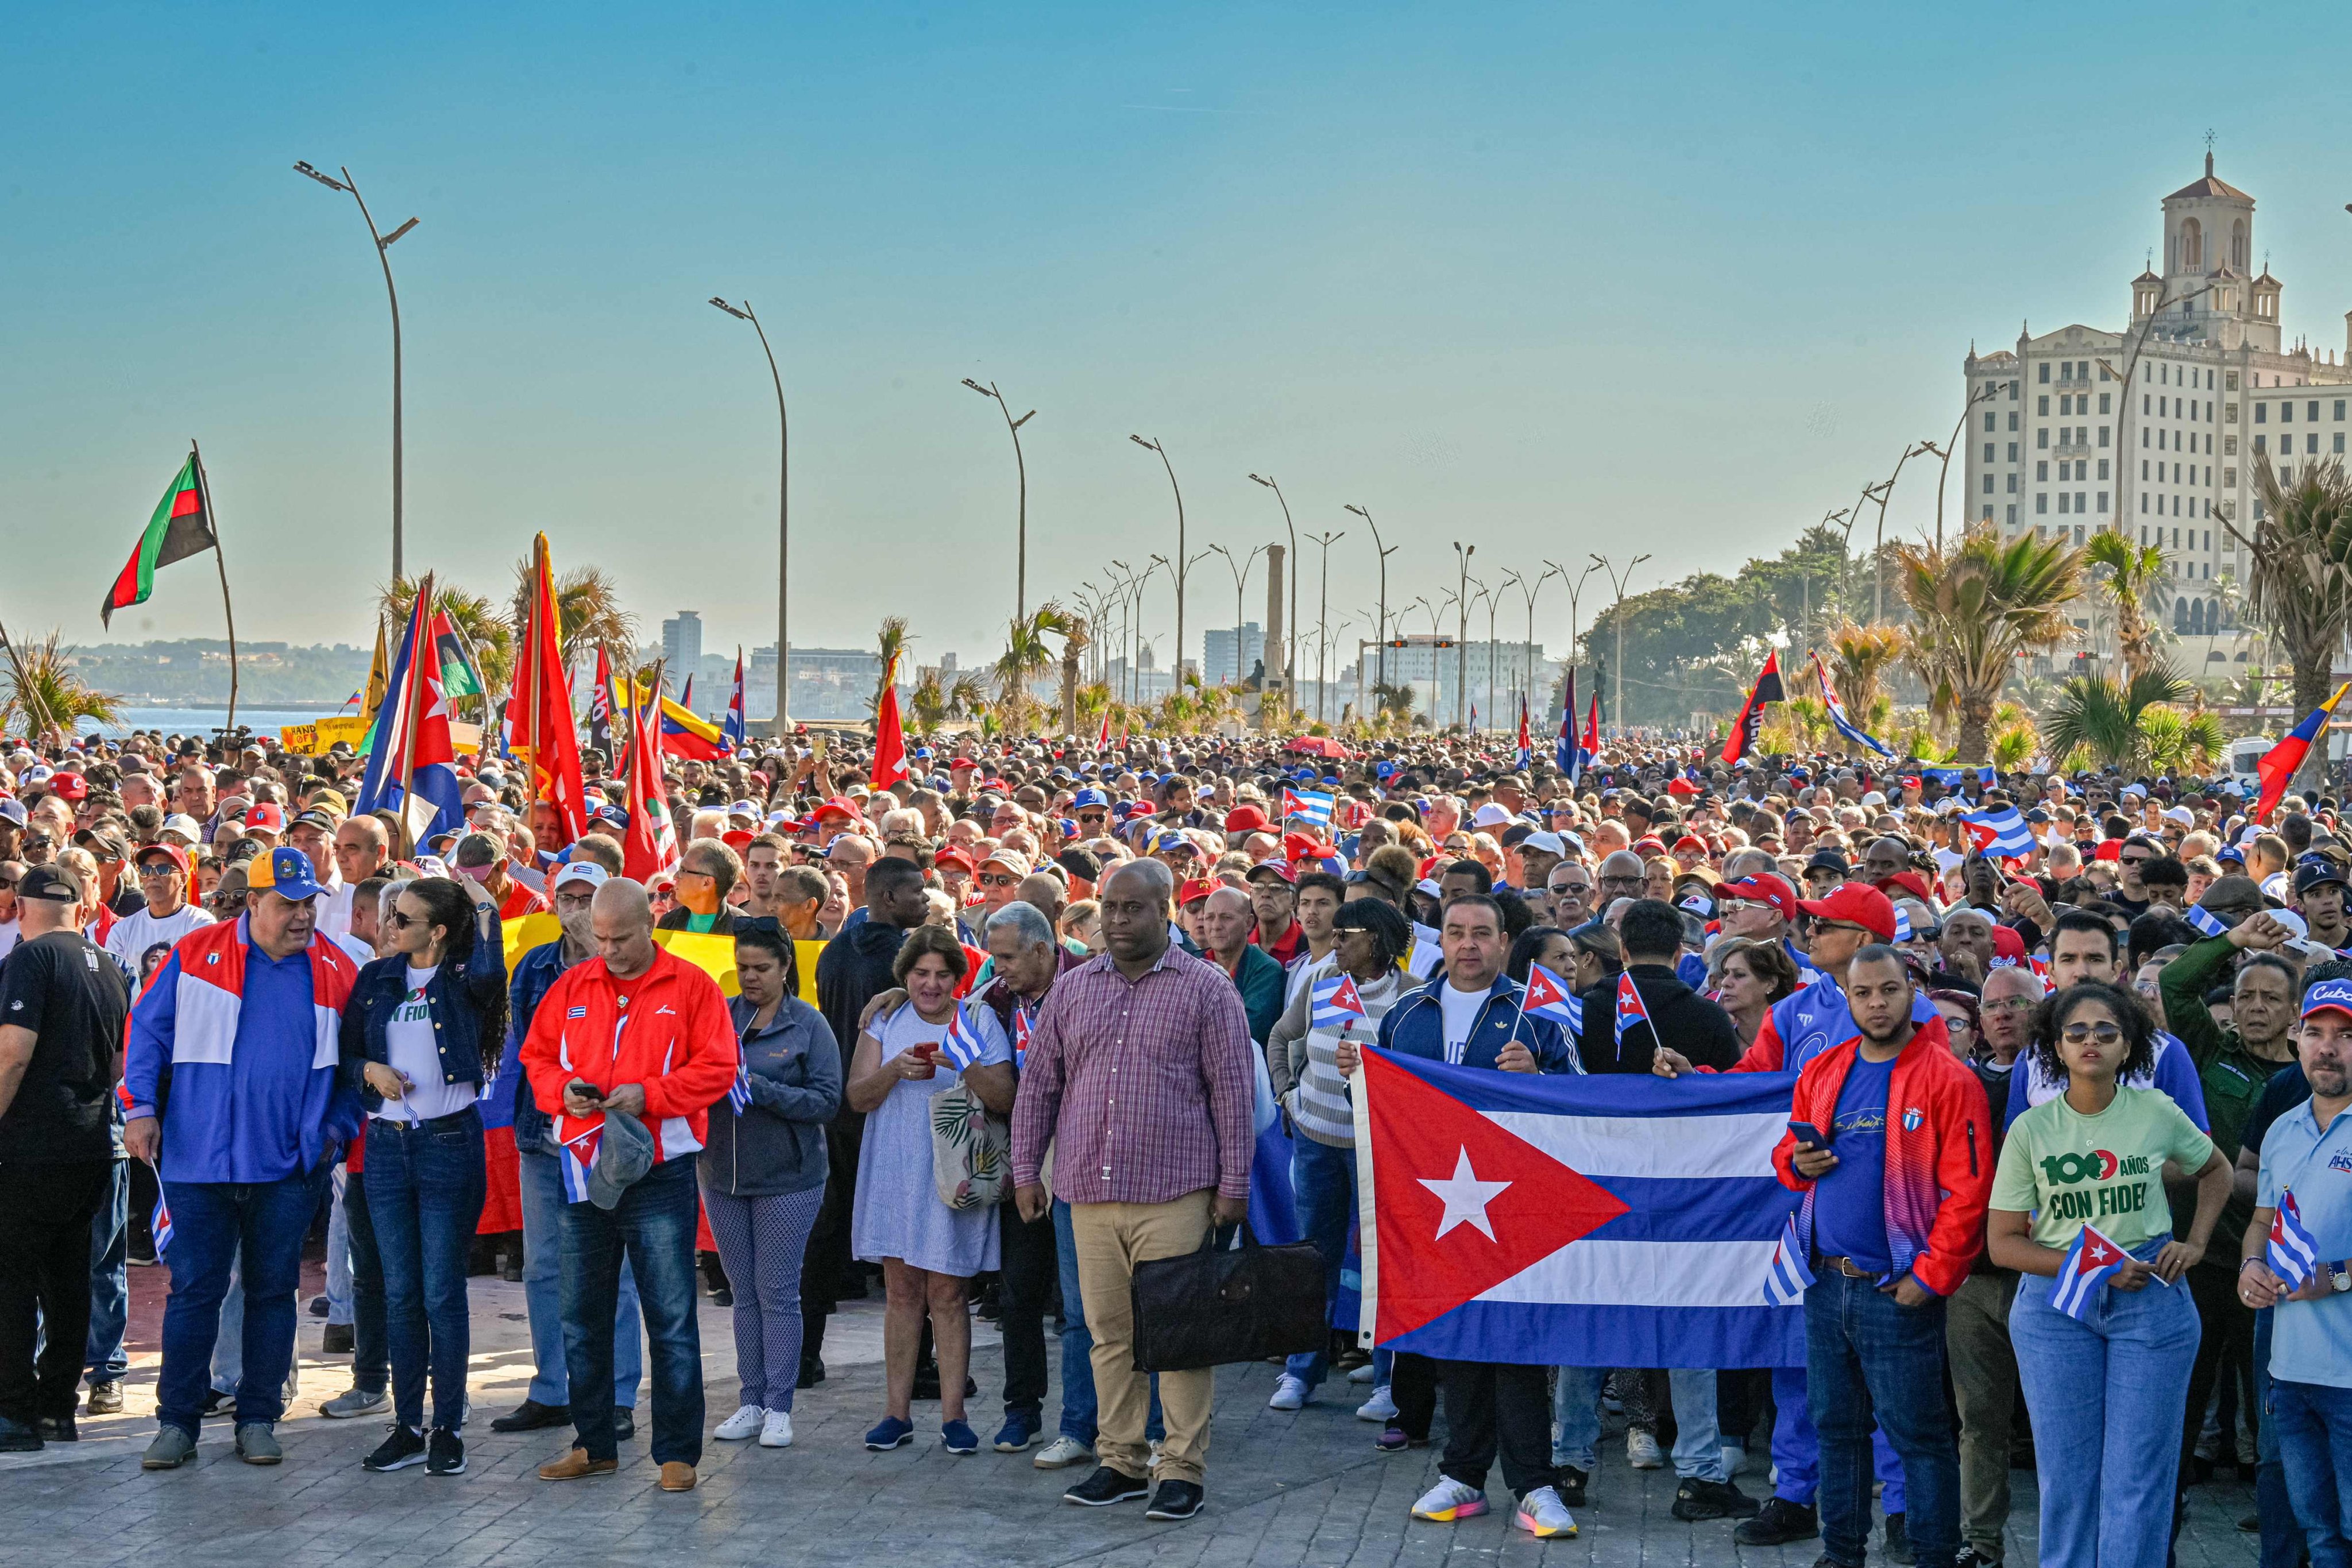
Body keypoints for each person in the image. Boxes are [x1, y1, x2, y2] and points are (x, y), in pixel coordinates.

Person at [1010, 858, 1255, 1523]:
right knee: (1108, 1335)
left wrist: (1234, 1186)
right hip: (1087, 1191)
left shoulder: (1207, 990)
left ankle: (1181, 1469)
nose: (1117, 921)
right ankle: (1119, 1461)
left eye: (1133, 909)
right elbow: (1039, 1087)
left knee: (1177, 1337)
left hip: (1176, 1193)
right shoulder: (1073, 988)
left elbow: (1233, 1095)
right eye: (1110, 909)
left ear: (1167, 912)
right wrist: (1026, 1171)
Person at [123, 847, 363, 1470]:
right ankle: (176, 1423)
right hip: (197, 1164)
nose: (302, 916)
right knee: (194, 1294)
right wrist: (140, 1109)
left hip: (287, 1170)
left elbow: (357, 1069)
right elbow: (145, 1033)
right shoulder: (195, 954)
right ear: (253, 903)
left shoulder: (337, 968)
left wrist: (333, 1132)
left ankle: (258, 1417)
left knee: (271, 1294)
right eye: (288, 904)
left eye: (309, 903)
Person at [1351, 893, 1579, 1540]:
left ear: (1506, 942)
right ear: (1441, 942)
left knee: (1517, 1348)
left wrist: (1541, 1075)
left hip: (1517, 1213)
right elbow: (1381, 1118)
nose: (1469, 945)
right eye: (1456, 933)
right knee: (1458, 1344)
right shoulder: (1405, 1013)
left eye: (1482, 933)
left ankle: (1535, 1485)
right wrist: (1356, 1079)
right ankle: (1465, 1476)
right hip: (1436, 1212)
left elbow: (1582, 1102)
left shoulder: (1535, 1014)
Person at [1988, 980, 2231, 1568]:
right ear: (2055, 1045)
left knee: (2139, 1479)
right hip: (2055, 1308)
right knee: (2067, 1480)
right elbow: (2003, 1245)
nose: (2091, 1041)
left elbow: (2217, 1169)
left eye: (2106, 1032)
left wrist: (2195, 1242)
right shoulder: (2031, 1130)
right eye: (2076, 1032)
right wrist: (2095, 1268)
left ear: (2129, 1046)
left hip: (2150, 1302)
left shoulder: (2155, 1110)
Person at [1776, 943, 1992, 1568]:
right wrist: (1797, 1162)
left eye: (1889, 991)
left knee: (1920, 1439)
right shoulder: (1825, 1070)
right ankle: (1841, 1555)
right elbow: (1785, 1159)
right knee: (1836, 1434)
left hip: (1896, 1289)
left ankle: (1934, 1558)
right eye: (1863, 993)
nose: (1876, 1003)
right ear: (1848, 999)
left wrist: (1931, 1277)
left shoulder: (1949, 1077)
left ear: (1912, 992)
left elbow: (1969, 1191)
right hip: (1825, 1284)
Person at [520, 877, 736, 1493]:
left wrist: (653, 1096)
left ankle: (676, 1454)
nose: (609, 950)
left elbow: (718, 1067)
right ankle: (594, 1444)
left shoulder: (690, 985)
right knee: (581, 1314)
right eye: (601, 937)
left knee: (669, 1317)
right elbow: (536, 1057)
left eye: (621, 937)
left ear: (652, 923)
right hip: (584, 1164)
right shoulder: (573, 985)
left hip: (659, 1170)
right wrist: (560, 1091)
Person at [338, 875, 507, 1477]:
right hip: (387, 1146)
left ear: (437, 932)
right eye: (392, 916)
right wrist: (371, 1071)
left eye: (404, 920)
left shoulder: (464, 979)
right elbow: (346, 1056)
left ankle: (448, 1427)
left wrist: (485, 907)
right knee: (401, 1291)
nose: (390, 927)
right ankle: (407, 1425)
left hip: (448, 1143)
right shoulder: (376, 979)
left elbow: (492, 971)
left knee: (441, 1292)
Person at [488, 862, 646, 1439]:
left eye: (589, 898)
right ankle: (554, 1388)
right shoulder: (534, 966)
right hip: (545, 1136)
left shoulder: (632, 967)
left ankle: (618, 1394)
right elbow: (534, 1053)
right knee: (544, 1268)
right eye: (567, 898)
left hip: (609, 1140)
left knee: (615, 1270)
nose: (577, 910)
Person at [845, 924, 1014, 1455]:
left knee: (948, 1292)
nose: (931, 985)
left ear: (957, 979)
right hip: (895, 1169)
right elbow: (857, 1097)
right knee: (901, 1293)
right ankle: (895, 1413)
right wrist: (895, 1070)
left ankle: (954, 1416)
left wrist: (961, 1063)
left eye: (943, 975)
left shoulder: (978, 1019)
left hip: (954, 1171)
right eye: (921, 973)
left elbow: (1006, 1096)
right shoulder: (886, 1018)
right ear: (905, 975)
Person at [1265, 897, 1414, 1423]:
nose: (1333, 943)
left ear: (1374, 938)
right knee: (1315, 1258)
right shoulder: (1322, 979)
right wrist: (1288, 1096)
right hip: (1316, 1140)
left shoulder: (1410, 995)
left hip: (1380, 1155)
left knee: (1384, 1264)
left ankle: (1386, 1380)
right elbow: (1282, 1037)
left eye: (1344, 935)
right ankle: (1303, 1370)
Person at [0, 865, 129, 1450]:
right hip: (90, 1143)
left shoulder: (31, 959)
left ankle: (15, 1412)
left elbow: (13, 1054)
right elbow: (119, 1061)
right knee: (69, 1280)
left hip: (32, 1146)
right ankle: (57, 1408)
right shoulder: (107, 966)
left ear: (21, 907)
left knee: (14, 1282)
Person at [704, 917, 840, 1453]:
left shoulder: (808, 1025)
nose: (750, 978)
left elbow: (827, 1102)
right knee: (743, 1295)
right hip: (723, 1177)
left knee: (778, 1293)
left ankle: (780, 1405)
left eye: (762, 968)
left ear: (786, 967)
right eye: (742, 968)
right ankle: (750, 1400)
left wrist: (759, 1089)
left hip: (789, 1178)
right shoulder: (720, 1017)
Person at [806, 855, 929, 1385]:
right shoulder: (907, 963)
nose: (926, 902)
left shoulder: (832, 954)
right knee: (908, 1241)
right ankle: (921, 1367)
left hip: (837, 1112)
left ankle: (802, 1358)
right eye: (917, 893)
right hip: (886, 1111)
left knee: (823, 1238)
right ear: (887, 898)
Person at [2242, 978, 2352, 1563]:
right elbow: (2262, 1219)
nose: (2328, 1048)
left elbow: (2332, 1272)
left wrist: (2330, 1280)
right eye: (2316, 1033)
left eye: (2346, 1035)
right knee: (2318, 1532)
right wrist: (2251, 1265)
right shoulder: (2282, 1130)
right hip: (2289, 1370)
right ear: (2297, 1040)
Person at [1947, 963, 2041, 1567]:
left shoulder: (2074, 1083)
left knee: (2061, 1423)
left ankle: (2075, 1539)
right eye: (1993, 1005)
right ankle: (1981, 1543)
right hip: (1974, 1280)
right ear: (1979, 1020)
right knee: (1979, 1421)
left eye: (2018, 1002)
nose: (2004, 1013)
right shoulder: (1957, 1083)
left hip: (2046, 1276)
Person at [658, 838, 743, 935]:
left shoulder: (742, 929)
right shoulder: (668, 922)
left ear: (707, 883)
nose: (675, 877)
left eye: (683, 870)